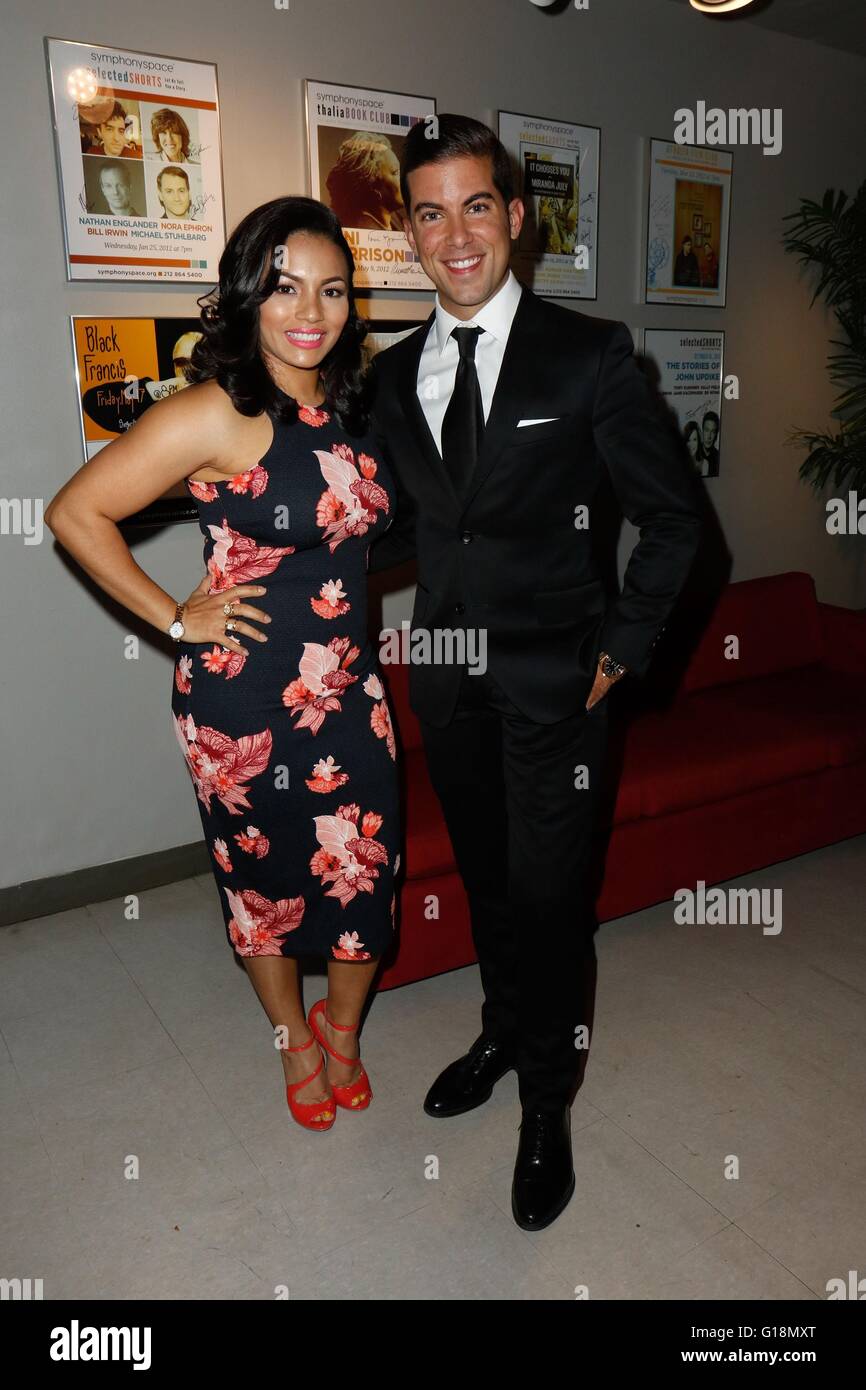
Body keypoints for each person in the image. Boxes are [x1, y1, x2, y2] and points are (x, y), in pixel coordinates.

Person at [367, 114, 703, 1230]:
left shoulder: (588, 353)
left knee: (553, 904)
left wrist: (621, 649)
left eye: (476, 205)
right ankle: (504, 1031)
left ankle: (546, 1108)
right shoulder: (389, 373)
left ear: (514, 219)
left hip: (562, 689)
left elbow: (675, 525)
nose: (453, 233)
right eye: (428, 211)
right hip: (451, 682)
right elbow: (399, 530)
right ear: (406, 230)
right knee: (491, 888)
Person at [44, 197, 399, 1134]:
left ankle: (345, 1030)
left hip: (350, 694)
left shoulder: (360, 406)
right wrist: (172, 616)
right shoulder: (215, 410)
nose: (309, 311)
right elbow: (76, 512)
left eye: (331, 289)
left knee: (364, 873)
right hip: (237, 700)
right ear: (249, 294)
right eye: (285, 287)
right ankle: (294, 1040)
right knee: (266, 888)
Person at [701, 410, 720, 474]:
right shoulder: (694, 453)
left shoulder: (718, 457)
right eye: (707, 430)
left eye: (713, 432)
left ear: (716, 435)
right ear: (702, 431)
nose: (709, 436)